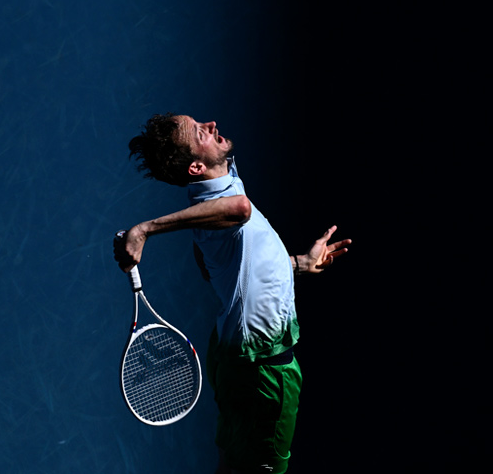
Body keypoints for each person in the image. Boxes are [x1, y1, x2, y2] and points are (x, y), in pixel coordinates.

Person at [114, 113, 351, 474]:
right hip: (264, 373)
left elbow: (242, 272)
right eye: (200, 132)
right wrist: (144, 229)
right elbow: (240, 210)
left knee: (231, 466)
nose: (210, 125)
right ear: (196, 167)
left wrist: (299, 263)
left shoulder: (220, 188)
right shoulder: (222, 209)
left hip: (237, 362)